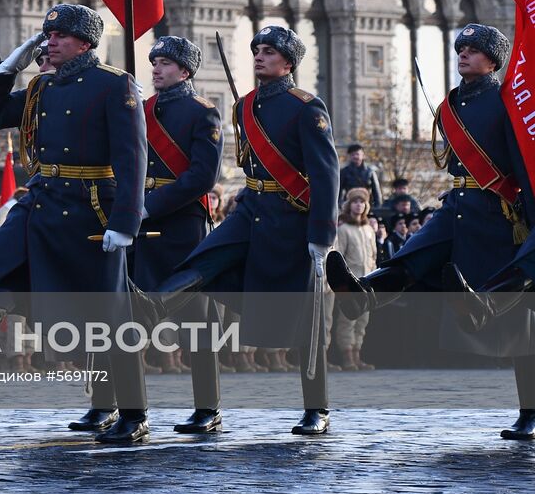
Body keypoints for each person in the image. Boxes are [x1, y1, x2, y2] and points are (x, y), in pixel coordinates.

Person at [0, 3, 150, 444]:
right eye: (48, 35)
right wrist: (6, 69)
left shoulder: (113, 85)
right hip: (43, 201)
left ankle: (129, 410)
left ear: (84, 42)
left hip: (91, 209)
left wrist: (125, 220)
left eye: (60, 35)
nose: (50, 42)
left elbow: (132, 157)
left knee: (107, 316)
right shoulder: (43, 86)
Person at [333, 24, 535, 440]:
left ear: (493, 60)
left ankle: (529, 412)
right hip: (458, 205)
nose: (462, 53)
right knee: (414, 255)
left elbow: (521, 163)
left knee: (521, 325)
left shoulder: (509, 101)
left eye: (473, 49)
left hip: (498, 210)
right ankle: (367, 293)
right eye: (459, 47)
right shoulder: (452, 104)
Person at [142, 25, 339, 436]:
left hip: (292, 217)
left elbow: (325, 174)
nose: (259, 56)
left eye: (269, 51)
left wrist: (322, 233)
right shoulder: (245, 106)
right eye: (257, 50)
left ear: (288, 63)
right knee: (204, 258)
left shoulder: (308, 107)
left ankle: (316, 408)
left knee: (307, 319)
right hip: (251, 208)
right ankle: (154, 304)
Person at [134, 36, 224, 433]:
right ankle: (123, 406)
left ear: (184, 71)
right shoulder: (140, 110)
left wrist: (151, 205)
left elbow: (202, 177)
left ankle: (207, 407)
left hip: (181, 223)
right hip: (137, 222)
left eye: (165, 63)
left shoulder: (203, 113)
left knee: (195, 322)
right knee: (125, 317)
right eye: (154, 61)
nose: (156, 68)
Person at [331, 188, 376, 372]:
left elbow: (373, 255)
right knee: (347, 320)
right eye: (356, 202)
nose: (359, 205)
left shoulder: (368, 229)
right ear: (349, 205)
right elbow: (338, 256)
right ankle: (347, 357)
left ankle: (358, 355)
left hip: (366, 281)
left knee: (362, 322)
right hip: (350, 282)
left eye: (362, 202)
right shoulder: (343, 230)